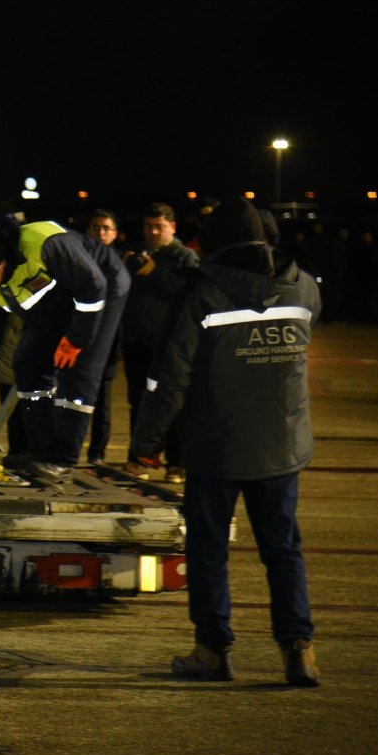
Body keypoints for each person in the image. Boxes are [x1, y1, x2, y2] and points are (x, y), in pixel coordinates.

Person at [128, 197, 321, 686]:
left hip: (215, 445)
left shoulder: (202, 293)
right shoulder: (302, 285)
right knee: (283, 549)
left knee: (209, 550)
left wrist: (148, 441)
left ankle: (212, 651)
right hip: (281, 442)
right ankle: (299, 650)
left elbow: (168, 378)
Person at [0, 213, 120, 475]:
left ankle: (63, 458)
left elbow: (93, 286)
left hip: (100, 289)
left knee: (77, 370)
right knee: (27, 363)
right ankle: (41, 449)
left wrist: (76, 340)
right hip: (55, 301)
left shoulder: (44, 243)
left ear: (1, 264)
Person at [120, 203, 199, 466]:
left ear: (172, 227)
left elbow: (189, 293)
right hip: (136, 341)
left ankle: (175, 462)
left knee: (171, 402)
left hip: (169, 344)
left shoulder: (184, 256)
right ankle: (138, 458)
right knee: (137, 402)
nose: (153, 232)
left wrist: (155, 272)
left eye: (159, 226)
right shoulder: (137, 255)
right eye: (149, 226)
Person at [84, 209, 123, 463]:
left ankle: (97, 453)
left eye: (106, 228)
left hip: (107, 342)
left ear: (115, 233)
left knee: (102, 402)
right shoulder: (79, 259)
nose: (100, 232)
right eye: (96, 227)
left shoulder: (119, 265)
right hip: (78, 339)